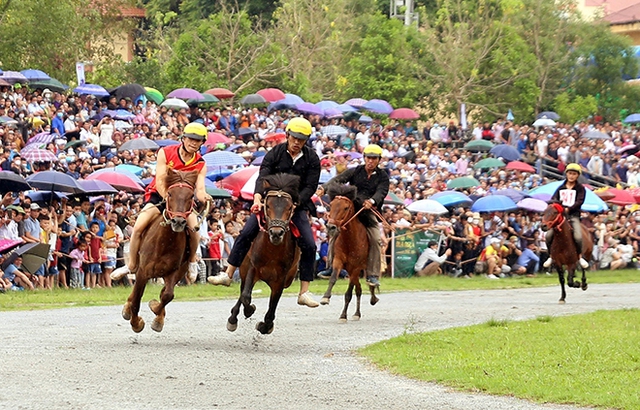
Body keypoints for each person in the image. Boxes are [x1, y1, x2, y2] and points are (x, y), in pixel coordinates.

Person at [208, 117, 321, 308]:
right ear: (287, 135)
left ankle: (304, 291)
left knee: (309, 244)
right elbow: (262, 177)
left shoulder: (312, 159)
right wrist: (258, 198)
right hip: (270, 204)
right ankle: (228, 274)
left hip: (296, 205)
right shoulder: (275, 153)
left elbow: (310, 186)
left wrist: (296, 202)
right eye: (294, 138)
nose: (297, 143)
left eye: (301, 140)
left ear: (306, 141)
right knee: (245, 233)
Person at [110, 122, 212, 282]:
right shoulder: (166, 152)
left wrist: (204, 195)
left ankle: (192, 261)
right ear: (183, 138)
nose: (193, 143)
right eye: (190, 139)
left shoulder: (200, 163)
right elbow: (160, 181)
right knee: (138, 227)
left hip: (183, 202)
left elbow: (199, 189)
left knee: (195, 230)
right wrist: (168, 199)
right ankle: (130, 265)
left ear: (202, 143)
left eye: (198, 140)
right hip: (160, 195)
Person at [315, 144, 390, 287]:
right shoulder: (355, 171)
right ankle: (331, 267)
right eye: (368, 158)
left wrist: (372, 201)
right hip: (351, 210)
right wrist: (324, 188)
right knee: (334, 230)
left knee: (375, 239)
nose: (371, 161)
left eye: (374, 159)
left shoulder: (383, 177)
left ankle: (373, 275)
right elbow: (338, 179)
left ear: (379, 160)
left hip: (368, 212)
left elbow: (381, 192)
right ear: (364, 158)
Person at [543, 163, 590, 269]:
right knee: (548, 236)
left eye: (574, 174)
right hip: (560, 217)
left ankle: (579, 256)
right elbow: (554, 199)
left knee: (578, 236)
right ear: (566, 174)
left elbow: (579, 201)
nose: (571, 176)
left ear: (577, 175)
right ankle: (551, 256)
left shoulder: (580, 188)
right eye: (570, 173)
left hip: (573, 216)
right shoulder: (560, 187)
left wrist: (569, 209)